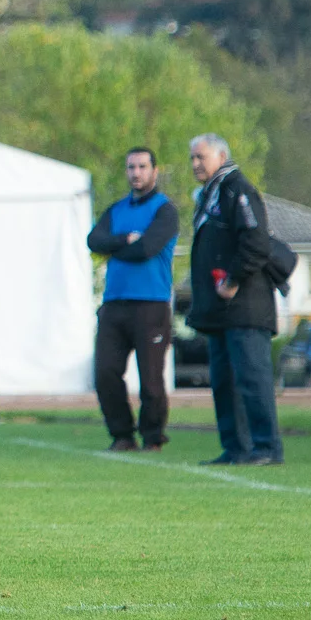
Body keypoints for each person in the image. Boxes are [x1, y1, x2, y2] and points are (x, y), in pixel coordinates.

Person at [187, 134, 282, 466]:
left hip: (246, 307)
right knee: (224, 382)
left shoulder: (236, 189)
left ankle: (266, 448)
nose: (196, 164)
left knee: (252, 379)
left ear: (221, 155)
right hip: (221, 312)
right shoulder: (211, 194)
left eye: (201, 157)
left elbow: (256, 242)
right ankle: (236, 448)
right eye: (192, 158)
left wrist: (234, 278)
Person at [86, 148, 179, 452]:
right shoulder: (116, 210)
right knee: (105, 372)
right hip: (114, 304)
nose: (136, 173)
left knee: (151, 379)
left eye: (142, 166)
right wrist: (124, 240)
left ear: (154, 170)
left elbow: (147, 249)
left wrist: (115, 248)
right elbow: (93, 240)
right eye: (130, 167)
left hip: (150, 304)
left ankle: (153, 437)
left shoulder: (165, 211)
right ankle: (122, 435)